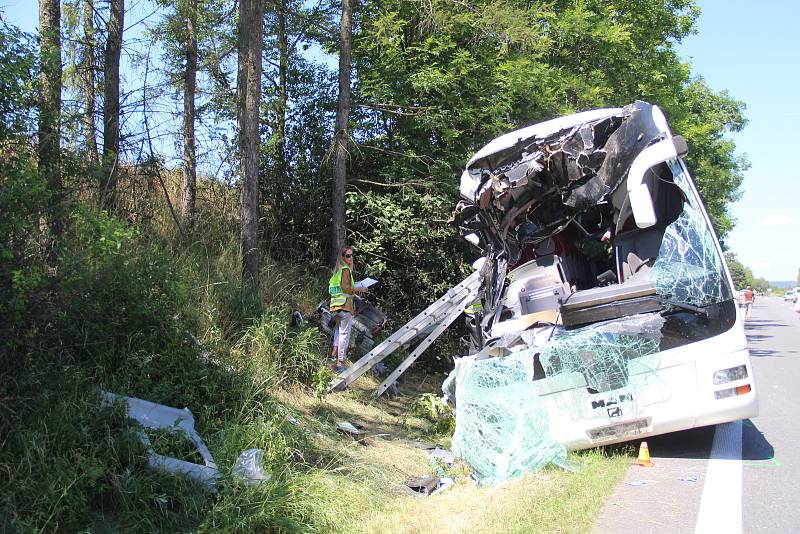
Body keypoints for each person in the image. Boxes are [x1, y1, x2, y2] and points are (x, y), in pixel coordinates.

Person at [328, 246, 368, 372]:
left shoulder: (336, 273)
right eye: (347, 256)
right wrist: (359, 288)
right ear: (342, 257)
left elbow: (337, 290)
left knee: (338, 332)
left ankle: (333, 357)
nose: (350, 258)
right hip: (344, 307)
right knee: (344, 334)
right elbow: (346, 289)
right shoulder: (345, 271)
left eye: (351, 255)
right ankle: (340, 363)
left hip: (335, 308)